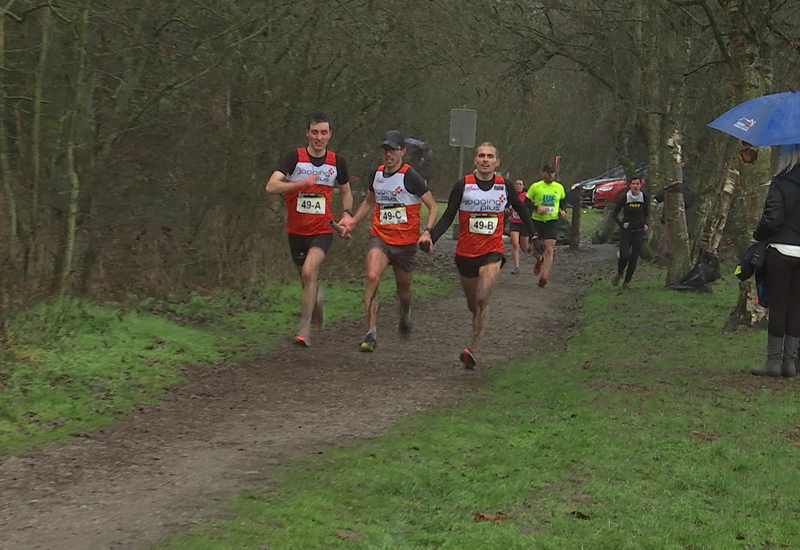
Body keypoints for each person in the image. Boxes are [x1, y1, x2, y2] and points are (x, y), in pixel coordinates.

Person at [430, 142, 537, 369]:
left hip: (492, 251)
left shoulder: (504, 185)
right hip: (466, 253)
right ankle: (475, 334)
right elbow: (449, 215)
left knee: (482, 296)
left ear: (497, 162)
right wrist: (432, 238)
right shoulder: (463, 185)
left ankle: (474, 348)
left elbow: (522, 209)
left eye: (490, 156)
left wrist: (534, 236)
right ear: (475, 161)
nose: (485, 159)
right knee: (473, 304)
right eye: (481, 156)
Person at [340, 130, 437, 352]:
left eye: (393, 150)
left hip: (405, 243)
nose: (388, 155)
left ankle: (405, 311)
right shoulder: (375, 175)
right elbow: (369, 201)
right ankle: (371, 332)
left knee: (403, 291)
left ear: (402, 151)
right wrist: (352, 221)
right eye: (385, 151)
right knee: (372, 276)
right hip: (380, 237)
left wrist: (427, 231)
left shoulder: (410, 176)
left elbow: (432, 206)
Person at [265, 112, 354, 347]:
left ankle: (303, 330)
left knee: (308, 272)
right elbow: (271, 186)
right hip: (295, 231)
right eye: (314, 132)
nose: (319, 137)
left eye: (324, 132)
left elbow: (346, 191)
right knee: (306, 279)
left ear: (330, 135)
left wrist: (346, 215)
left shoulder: (337, 161)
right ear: (307, 133)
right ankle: (316, 298)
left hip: (322, 229)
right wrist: (298, 184)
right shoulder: (294, 157)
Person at [751, 144, 800, 377]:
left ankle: (773, 361)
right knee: (796, 308)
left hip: (781, 250)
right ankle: (789, 364)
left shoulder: (781, 181)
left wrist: (758, 235)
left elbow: (772, 219)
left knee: (779, 307)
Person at [525, 164, 567, 287]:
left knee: (549, 249)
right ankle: (539, 259)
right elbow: (526, 202)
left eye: (552, 173)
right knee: (533, 248)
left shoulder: (559, 187)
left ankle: (544, 276)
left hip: (551, 221)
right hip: (537, 221)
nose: (550, 175)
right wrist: (537, 207)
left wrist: (562, 210)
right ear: (542, 173)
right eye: (548, 173)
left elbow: (563, 201)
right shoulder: (535, 186)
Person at [611, 176, 650, 289]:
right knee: (625, 255)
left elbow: (647, 213)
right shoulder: (624, 197)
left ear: (640, 185)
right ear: (630, 185)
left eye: (637, 184)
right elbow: (614, 214)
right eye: (633, 184)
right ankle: (619, 272)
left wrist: (646, 224)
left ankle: (627, 282)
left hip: (638, 230)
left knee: (634, 257)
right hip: (626, 231)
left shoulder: (644, 197)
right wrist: (621, 224)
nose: (635, 186)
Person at [507, 178, 532, 274]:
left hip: (524, 223)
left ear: (523, 186)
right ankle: (516, 266)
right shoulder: (511, 196)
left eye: (520, 184)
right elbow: (506, 205)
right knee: (515, 244)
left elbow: (532, 205)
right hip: (514, 222)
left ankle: (534, 252)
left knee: (524, 246)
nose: (518, 186)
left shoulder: (526, 196)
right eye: (516, 184)